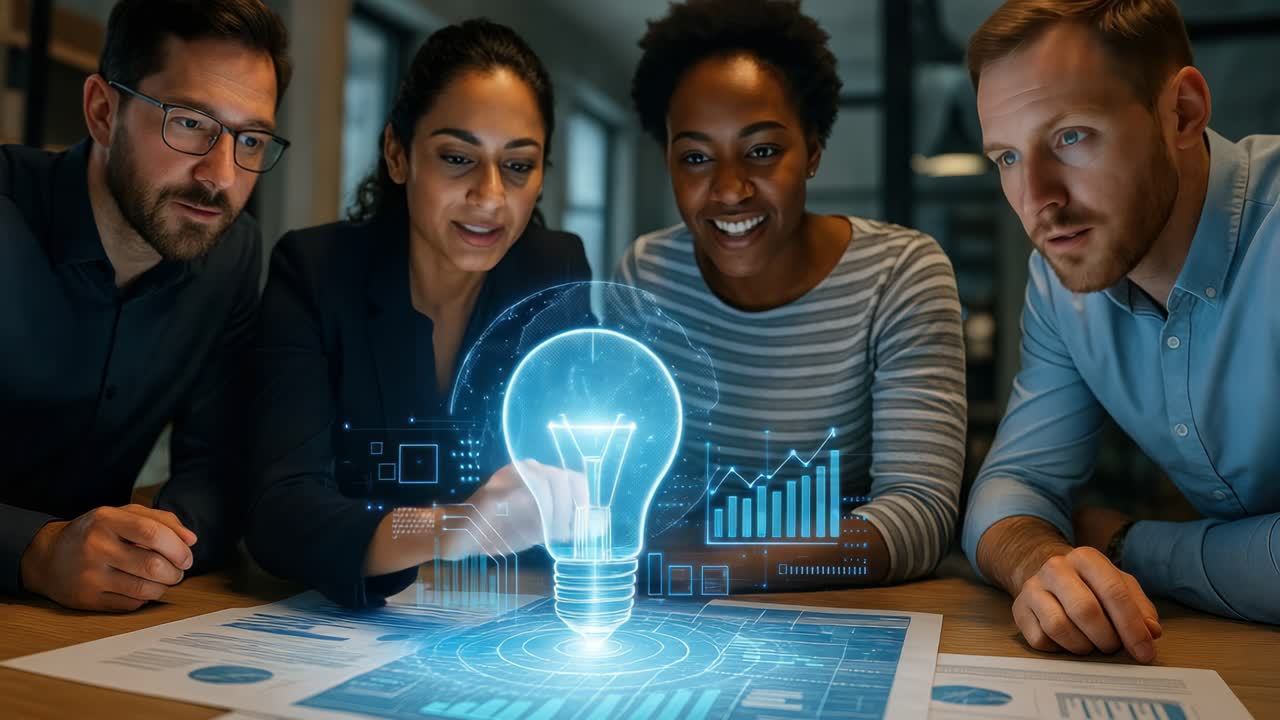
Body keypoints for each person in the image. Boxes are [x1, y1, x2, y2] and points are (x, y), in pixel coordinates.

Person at [963, 0, 1280, 665]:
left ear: (1183, 112)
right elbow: (1016, 483)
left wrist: (1127, 544)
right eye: (1007, 157)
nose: (1036, 198)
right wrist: (1040, 562)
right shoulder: (1062, 282)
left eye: (1071, 136)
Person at [244, 19, 591, 608]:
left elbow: (587, 483)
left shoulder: (553, 274)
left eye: (517, 165)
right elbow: (278, 512)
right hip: (344, 626)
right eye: (457, 157)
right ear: (398, 155)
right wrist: (447, 528)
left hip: (510, 615)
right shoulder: (316, 272)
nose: (489, 197)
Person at [618, 0, 967, 588]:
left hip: (843, 611)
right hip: (679, 615)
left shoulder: (901, 272)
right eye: (696, 157)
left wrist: (708, 564)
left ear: (813, 149)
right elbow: (636, 493)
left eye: (762, 151)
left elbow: (921, 515)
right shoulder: (648, 274)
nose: (729, 190)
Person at [0, 0, 290, 612]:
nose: (220, 174)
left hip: (83, 628)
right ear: (103, 112)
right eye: (189, 123)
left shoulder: (231, 254)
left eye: (251, 139)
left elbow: (216, 471)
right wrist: (36, 548)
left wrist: (152, 546)